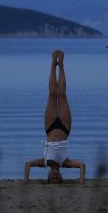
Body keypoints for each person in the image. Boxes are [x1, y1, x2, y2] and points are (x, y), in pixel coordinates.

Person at [24, 50, 85, 184]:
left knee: (52, 94)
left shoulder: (43, 162)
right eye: (57, 179)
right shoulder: (66, 163)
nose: (55, 177)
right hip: (65, 127)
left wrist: (26, 182)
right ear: (61, 177)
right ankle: (61, 65)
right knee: (62, 95)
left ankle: (53, 63)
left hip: (50, 126)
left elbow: (28, 164)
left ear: (49, 176)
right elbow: (81, 165)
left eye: (52, 179)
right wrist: (81, 183)